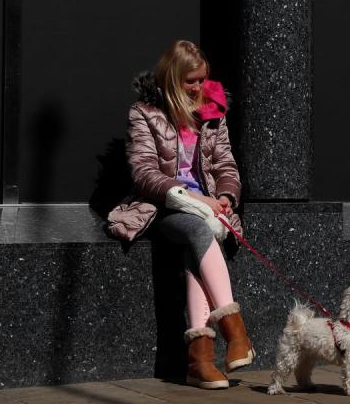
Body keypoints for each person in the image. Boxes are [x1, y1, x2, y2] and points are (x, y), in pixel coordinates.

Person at [107, 40, 254, 389]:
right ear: (172, 79)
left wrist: (225, 196)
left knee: (196, 242)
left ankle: (200, 360)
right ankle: (236, 334)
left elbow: (226, 165)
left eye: (202, 80)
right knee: (197, 228)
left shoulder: (213, 111)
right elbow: (144, 173)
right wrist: (195, 199)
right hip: (162, 205)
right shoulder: (144, 113)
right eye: (190, 81)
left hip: (206, 208)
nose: (198, 88)